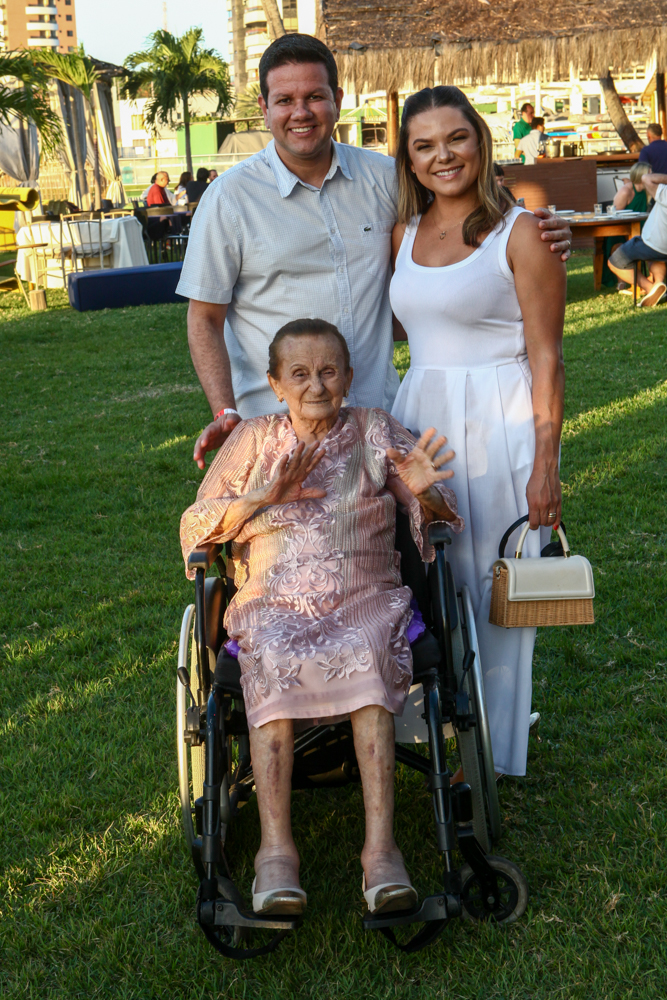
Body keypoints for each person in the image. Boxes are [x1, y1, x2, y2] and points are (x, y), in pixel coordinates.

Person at [176, 34, 573, 470]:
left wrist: (529, 226)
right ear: (264, 107)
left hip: (379, 426)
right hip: (280, 432)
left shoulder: (385, 180)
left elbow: (458, 201)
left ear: (338, 99)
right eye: (285, 99)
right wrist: (224, 411)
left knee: (387, 537)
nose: (301, 112)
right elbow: (204, 319)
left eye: (315, 96)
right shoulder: (229, 199)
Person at [180, 319, 462, 916]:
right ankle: (276, 854)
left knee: (365, 643)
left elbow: (438, 510)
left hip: (364, 594)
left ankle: (381, 854)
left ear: (350, 377)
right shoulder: (252, 440)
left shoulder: (375, 429)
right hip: (272, 601)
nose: (316, 386)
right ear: (276, 383)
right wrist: (260, 499)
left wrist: (425, 492)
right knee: (274, 653)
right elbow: (195, 525)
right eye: (300, 374)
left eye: (329, 371)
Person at [389, 85, 566, 779]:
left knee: (494, 588)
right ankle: (440, 726)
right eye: (424, 145)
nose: (442, 156)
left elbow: (547, 353)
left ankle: (485, 752)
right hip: (422, 417)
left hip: (499, 415)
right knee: (430, 582)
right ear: (407, 157)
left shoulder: (521, 231)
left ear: (480, 139)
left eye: (455, 138)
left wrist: (545, 464)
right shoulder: (402, 233)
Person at [607, 168, 667, 306]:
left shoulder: (664, 193)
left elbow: (646, 178)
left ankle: (650, 288)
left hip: (652, 243)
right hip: (661, 248)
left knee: (614, 262)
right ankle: (659, 284)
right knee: (656, 257)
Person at [601, 162, 649, 289]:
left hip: (642, 230)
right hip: (620, 231)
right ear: (641, 176)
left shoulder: (648, 190)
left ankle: (651, 282)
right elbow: (613, 217)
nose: (652, 176)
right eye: (650, 173)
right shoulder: (626, 192)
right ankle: (622, 282)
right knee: (619, 247)